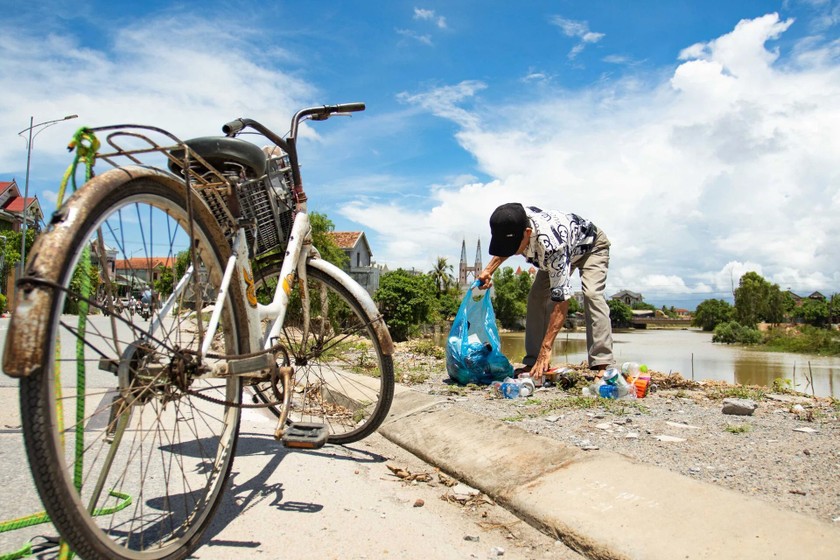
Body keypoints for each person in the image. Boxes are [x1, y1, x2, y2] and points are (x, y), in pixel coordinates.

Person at [477, 202, 614, 382]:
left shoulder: (552, 247)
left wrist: (546, 349)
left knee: (592, 294)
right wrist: (489, 270)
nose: (510, 252)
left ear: (527, 233)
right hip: (560, 251)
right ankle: (533, 361)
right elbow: (506, 244)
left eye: (512, 246)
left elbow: (561, 303)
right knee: (536, 297)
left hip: (591, 247)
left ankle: (602, 365)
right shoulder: (513, 217)